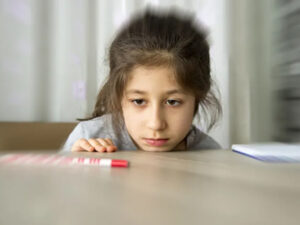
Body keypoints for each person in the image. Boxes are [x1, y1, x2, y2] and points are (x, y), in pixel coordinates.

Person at [62, 9, 222, 153]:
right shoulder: (87, 139)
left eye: (173, 102)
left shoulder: (209, 153)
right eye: (139, 101)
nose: (156, 124)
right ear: (118, 95)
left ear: (199, 95)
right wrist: (76, 168)